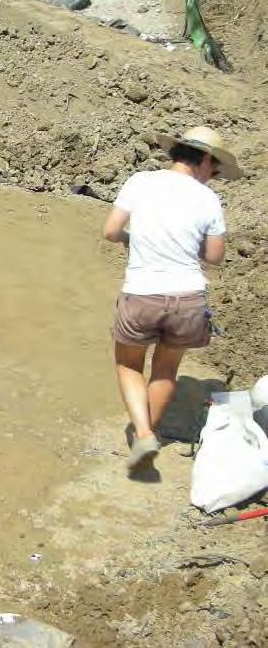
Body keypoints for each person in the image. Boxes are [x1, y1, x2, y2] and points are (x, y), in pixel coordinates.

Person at [103, 126, 241, 477]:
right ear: (206, 160)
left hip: (142, 293)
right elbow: (214, 256)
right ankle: (147, 435)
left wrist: (131, 238)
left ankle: (144, 433)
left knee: (129, 364)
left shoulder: (140, 182)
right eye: (215, 170)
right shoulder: (208, 199)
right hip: (188, 299)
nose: (213, 177)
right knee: (166, 369)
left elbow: (110, 231)